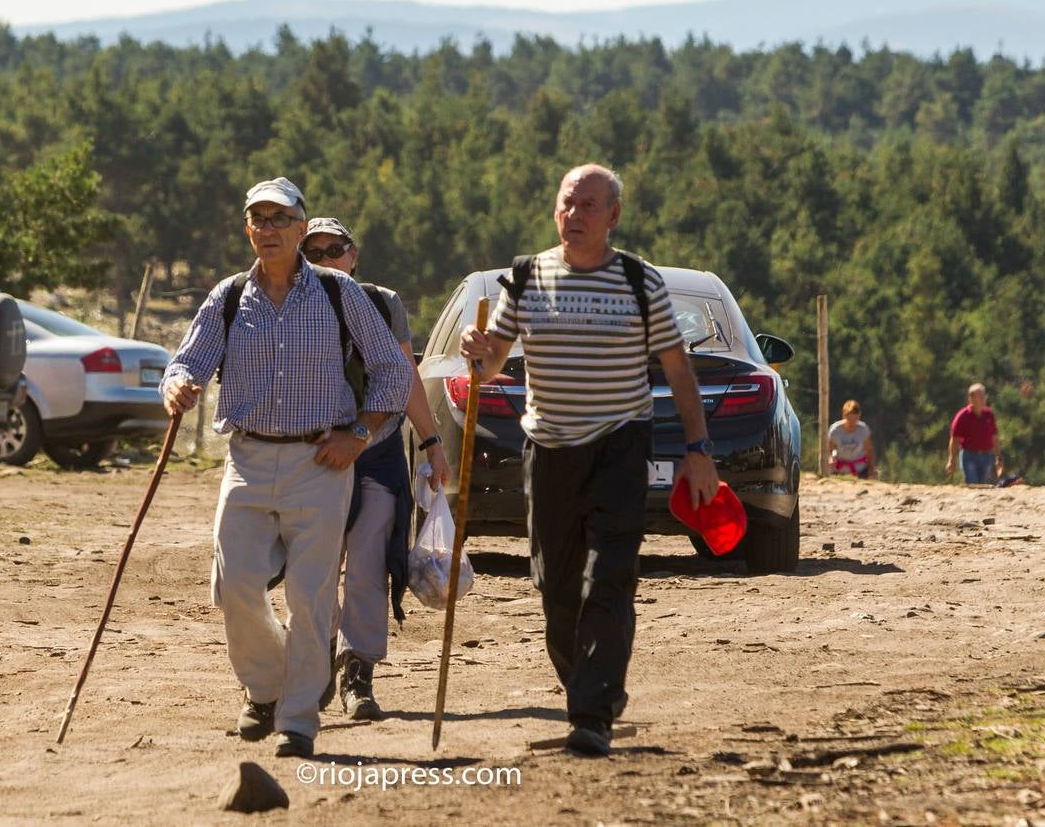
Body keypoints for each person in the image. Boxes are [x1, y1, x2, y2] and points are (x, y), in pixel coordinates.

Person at [458, 163, 720, 758]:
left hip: (619, 445)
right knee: (555, 586)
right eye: (567, 204)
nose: (574, 216)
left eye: (589, 206)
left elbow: (678, 370)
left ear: (614, 216)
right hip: (548, 449)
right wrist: (478, 356)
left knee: (609, 576)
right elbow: (492, 361)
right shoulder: (526, 277)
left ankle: (593, 711)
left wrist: (698, 450)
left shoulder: (638, 281)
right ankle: (590, 682)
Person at [160, 178, 413, 759]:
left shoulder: (337, 293)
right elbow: (186, 361)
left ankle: (298, 720)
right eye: (258, 218)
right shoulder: (227, 296)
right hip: (246, 458)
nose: (268, 228)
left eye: (280, 218)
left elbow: (392, 373)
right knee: (236, 585)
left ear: (302, 227)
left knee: (310, 595)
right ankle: (267, 688)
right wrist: (177, 387)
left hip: (320, 462)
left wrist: (357, 434)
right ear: (248, 229)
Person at [300, 217, 453, 721]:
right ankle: (316, 658)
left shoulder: (383, 303)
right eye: (314, 252)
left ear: (354, 253)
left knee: (367, 561)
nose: (326, 259)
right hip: (313, 454)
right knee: (314, 568)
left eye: (335, 249)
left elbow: (406, 372)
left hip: (377, 451)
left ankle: (357, 670)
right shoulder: (289, 303)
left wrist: (432, 442)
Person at [946, 383, 1003, 485]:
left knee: (984, 485)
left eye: (984, 396)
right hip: (969, 456)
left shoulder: (989, 415)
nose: (983, 399)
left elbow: (994, 437)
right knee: (973, 484)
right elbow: (954, 439)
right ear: (971, 398)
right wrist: (952, 459)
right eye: (980, 396)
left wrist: (998, 458)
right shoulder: (962, 416)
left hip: (986, 456)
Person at [828, 400, 875, 479]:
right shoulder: (835, 431)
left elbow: (869, 451)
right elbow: (829, 449)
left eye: (855, 420)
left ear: (859, 416)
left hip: (860, 471)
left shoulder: (863, 430)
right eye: (849, 420)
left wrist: (871, 469)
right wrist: (831, 458)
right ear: (844, 416)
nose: (852, 423)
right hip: (840, 472)